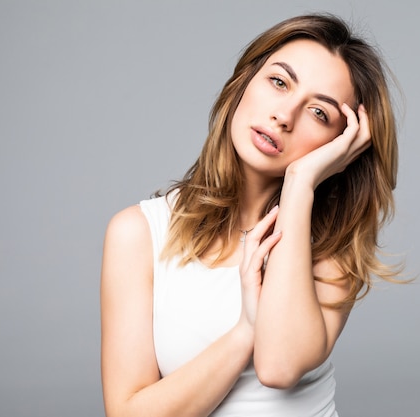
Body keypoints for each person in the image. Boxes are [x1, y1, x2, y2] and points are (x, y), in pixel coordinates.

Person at [100, 13, 400, 417]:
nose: (284, 116)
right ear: (244, 82)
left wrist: (299, 184)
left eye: (319, 113)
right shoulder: (138, 233)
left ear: (339, 146)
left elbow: (279, 366)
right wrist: (245, 331)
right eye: (279, 82)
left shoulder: (332, 246)